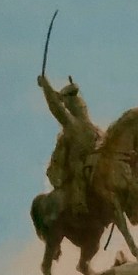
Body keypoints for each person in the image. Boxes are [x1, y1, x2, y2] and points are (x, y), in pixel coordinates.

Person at [37, 72, 103, 216]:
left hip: (94, 151)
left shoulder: (95, 130)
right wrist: (45, 85)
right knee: (78, 169)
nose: (80, 103)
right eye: (73, 99)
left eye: (78, 99)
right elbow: (55, 105)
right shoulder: (71, 123)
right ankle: (79, 203)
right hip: (74, 161)